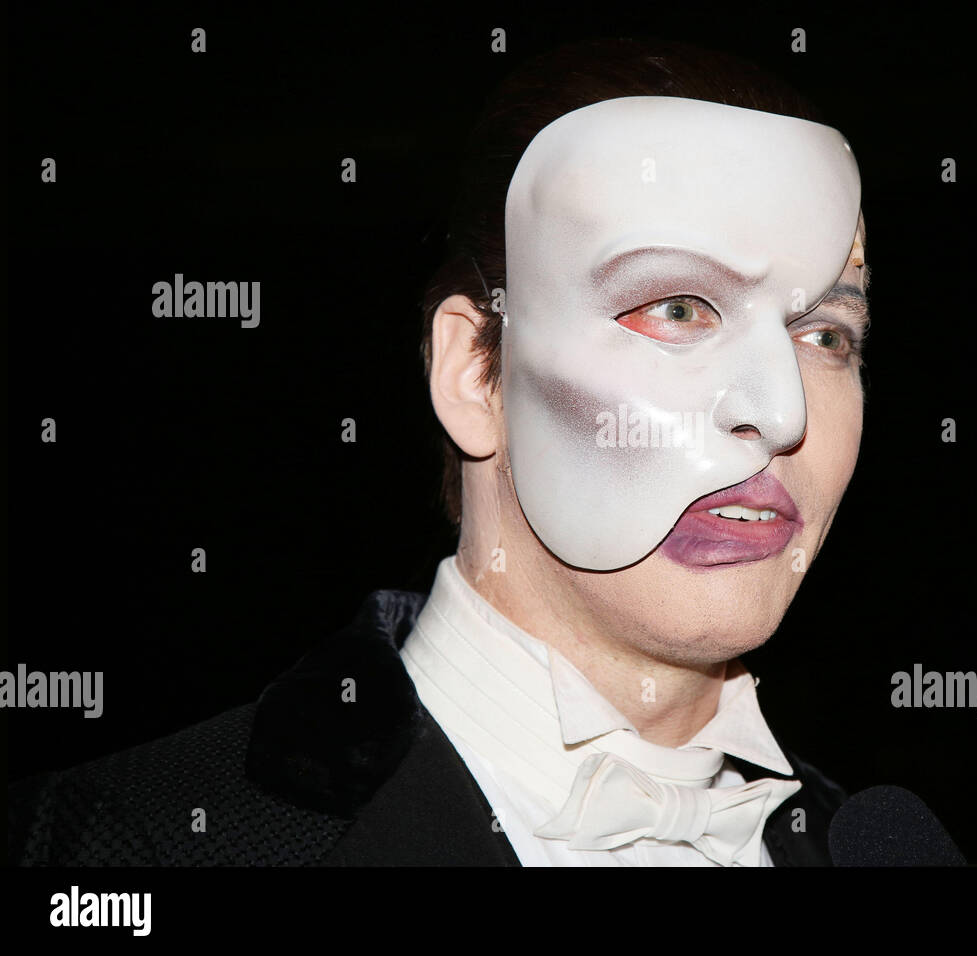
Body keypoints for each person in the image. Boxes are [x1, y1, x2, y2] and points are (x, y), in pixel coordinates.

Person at [8, 36, 872, 867]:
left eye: (827, 334)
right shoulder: (126, 844)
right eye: (678, 309)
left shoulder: (867, 846)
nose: (781, 409)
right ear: (473, 374)